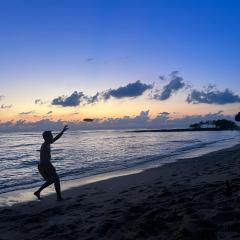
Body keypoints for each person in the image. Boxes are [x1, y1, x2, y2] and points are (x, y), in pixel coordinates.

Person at [34, 125, 68, 201]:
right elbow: (44, 159)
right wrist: (50, 167)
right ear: (47, 137)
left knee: (51, 180)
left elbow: (56, 138)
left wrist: (62, 131)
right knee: (55, 179)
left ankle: (38, 192)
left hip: (44, 165)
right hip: (44, 166)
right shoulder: (45, 145)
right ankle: (59, 198)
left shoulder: (47, 144)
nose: (52, 137)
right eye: (51, 136)